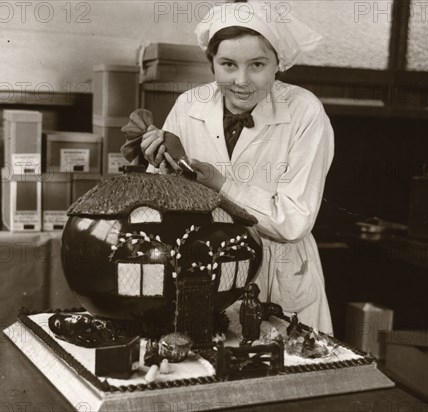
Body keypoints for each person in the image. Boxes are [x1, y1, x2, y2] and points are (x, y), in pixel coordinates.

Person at [140, 3, 334, 334]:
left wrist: (221, 184)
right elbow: (161, 201)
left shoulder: (305, 111)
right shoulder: (189, 105)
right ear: (211, 63)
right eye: (228, 65)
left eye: (257, 64)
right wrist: (158, 166)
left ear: (278, 64)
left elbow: (293, 221)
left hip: (277, 273)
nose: (241, 81)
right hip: (203, 267)